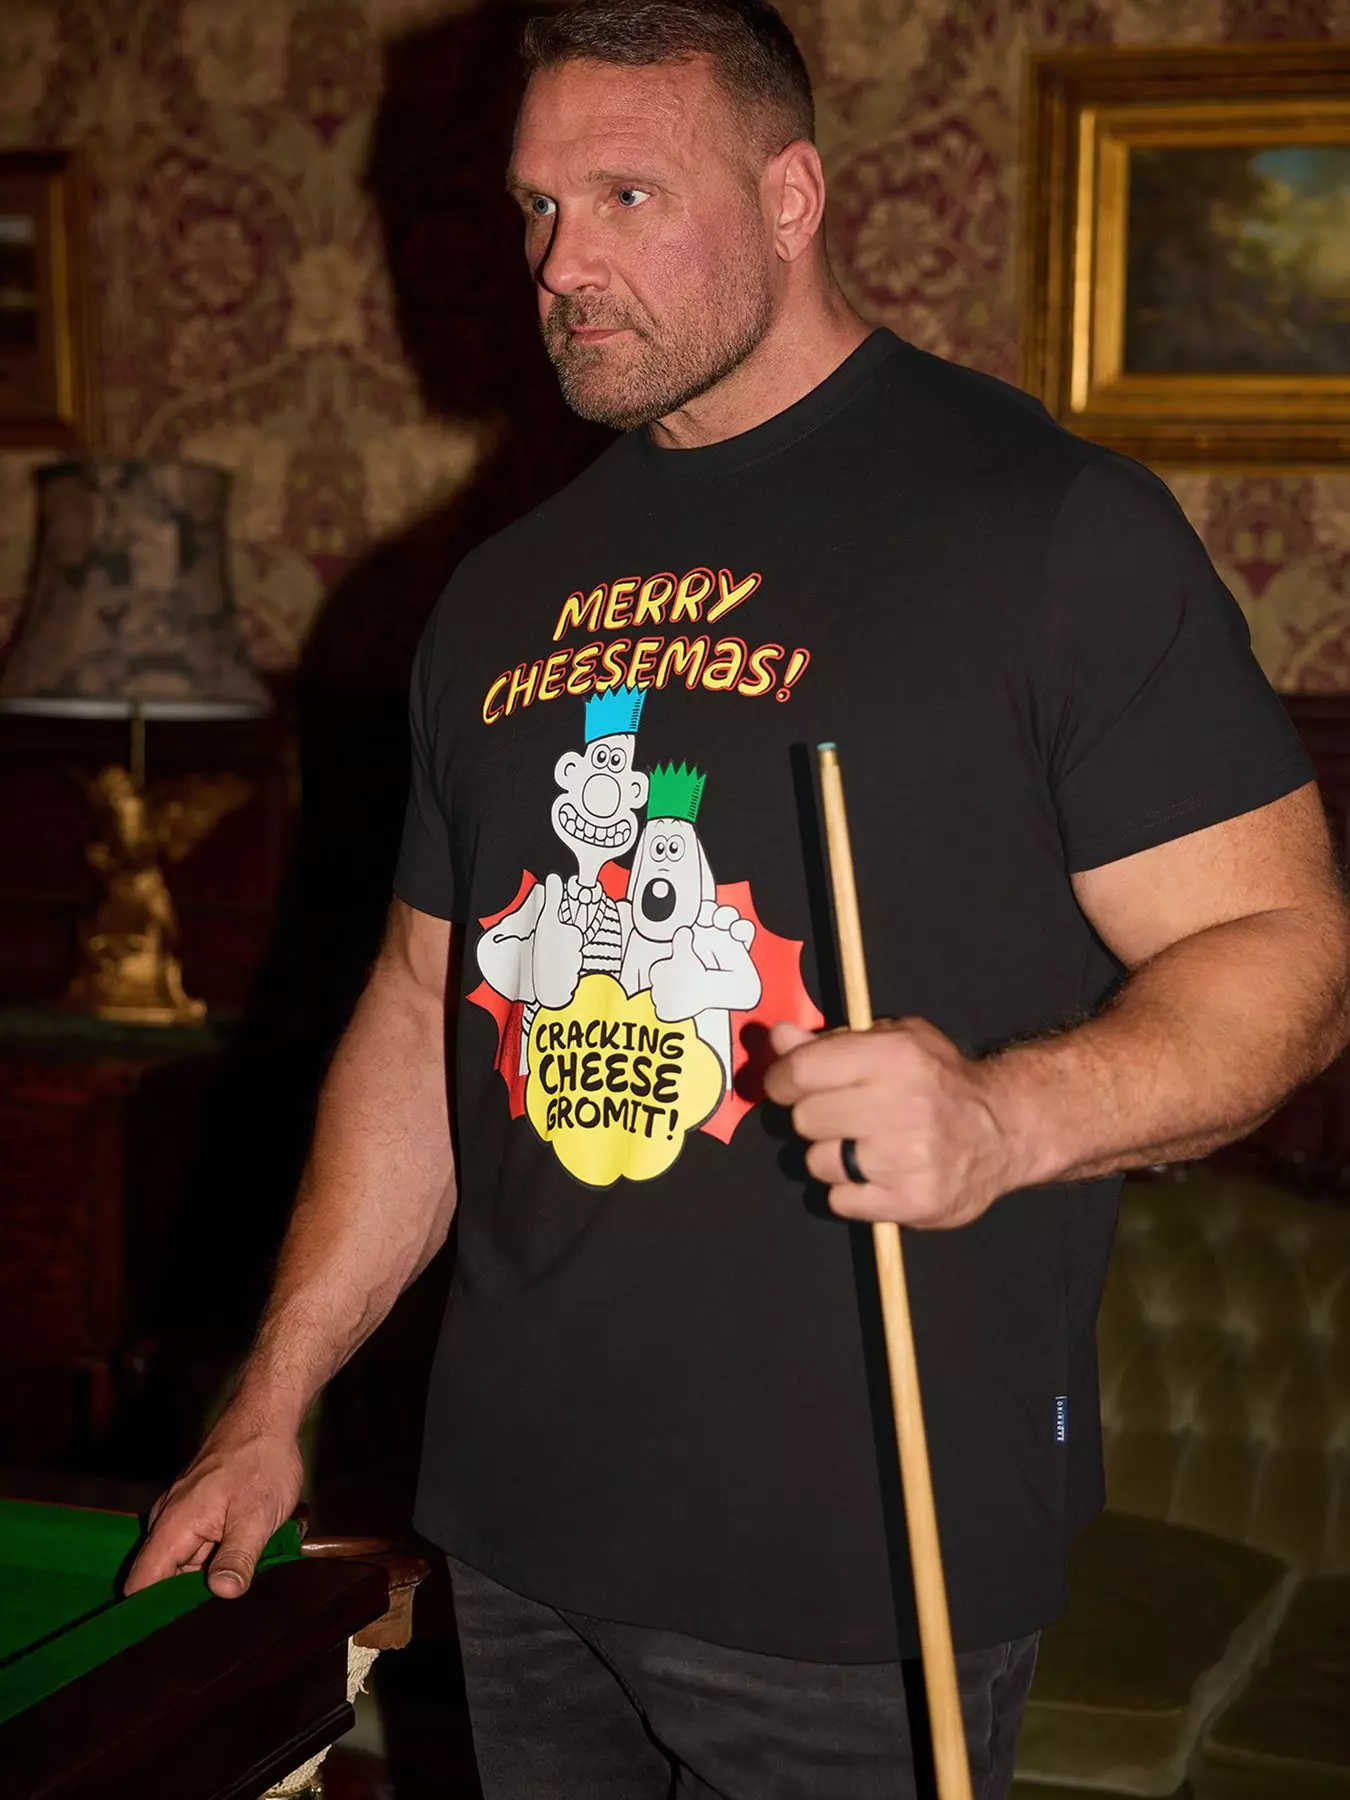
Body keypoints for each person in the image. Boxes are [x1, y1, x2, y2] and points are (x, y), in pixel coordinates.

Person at [126, 2, 1350, 1794]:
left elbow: (1287, 956)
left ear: (791, 197)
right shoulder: (500, 590)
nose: (562, 263)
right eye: (538, 207)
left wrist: (1002, 1120)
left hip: (857, 1546)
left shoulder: (1042, 525)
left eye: (627, 196)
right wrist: (271, 1396)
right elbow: (417, 1011)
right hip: (519, 1520)